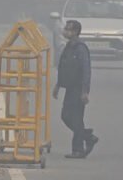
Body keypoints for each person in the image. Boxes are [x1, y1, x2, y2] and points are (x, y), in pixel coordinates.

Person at [53, 19, 98, 159]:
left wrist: (85, 91)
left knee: (77, 118)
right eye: (66, 28)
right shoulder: (69, 46)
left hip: (78, 89)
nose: (65, 31)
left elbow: (86, 70)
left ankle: (78, 149)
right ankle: (87, 136)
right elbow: (63, 67)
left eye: (68, 29)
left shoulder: (80, 48)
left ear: (75, 32)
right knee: (65, 116)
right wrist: (58, 85)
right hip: (70, 88)